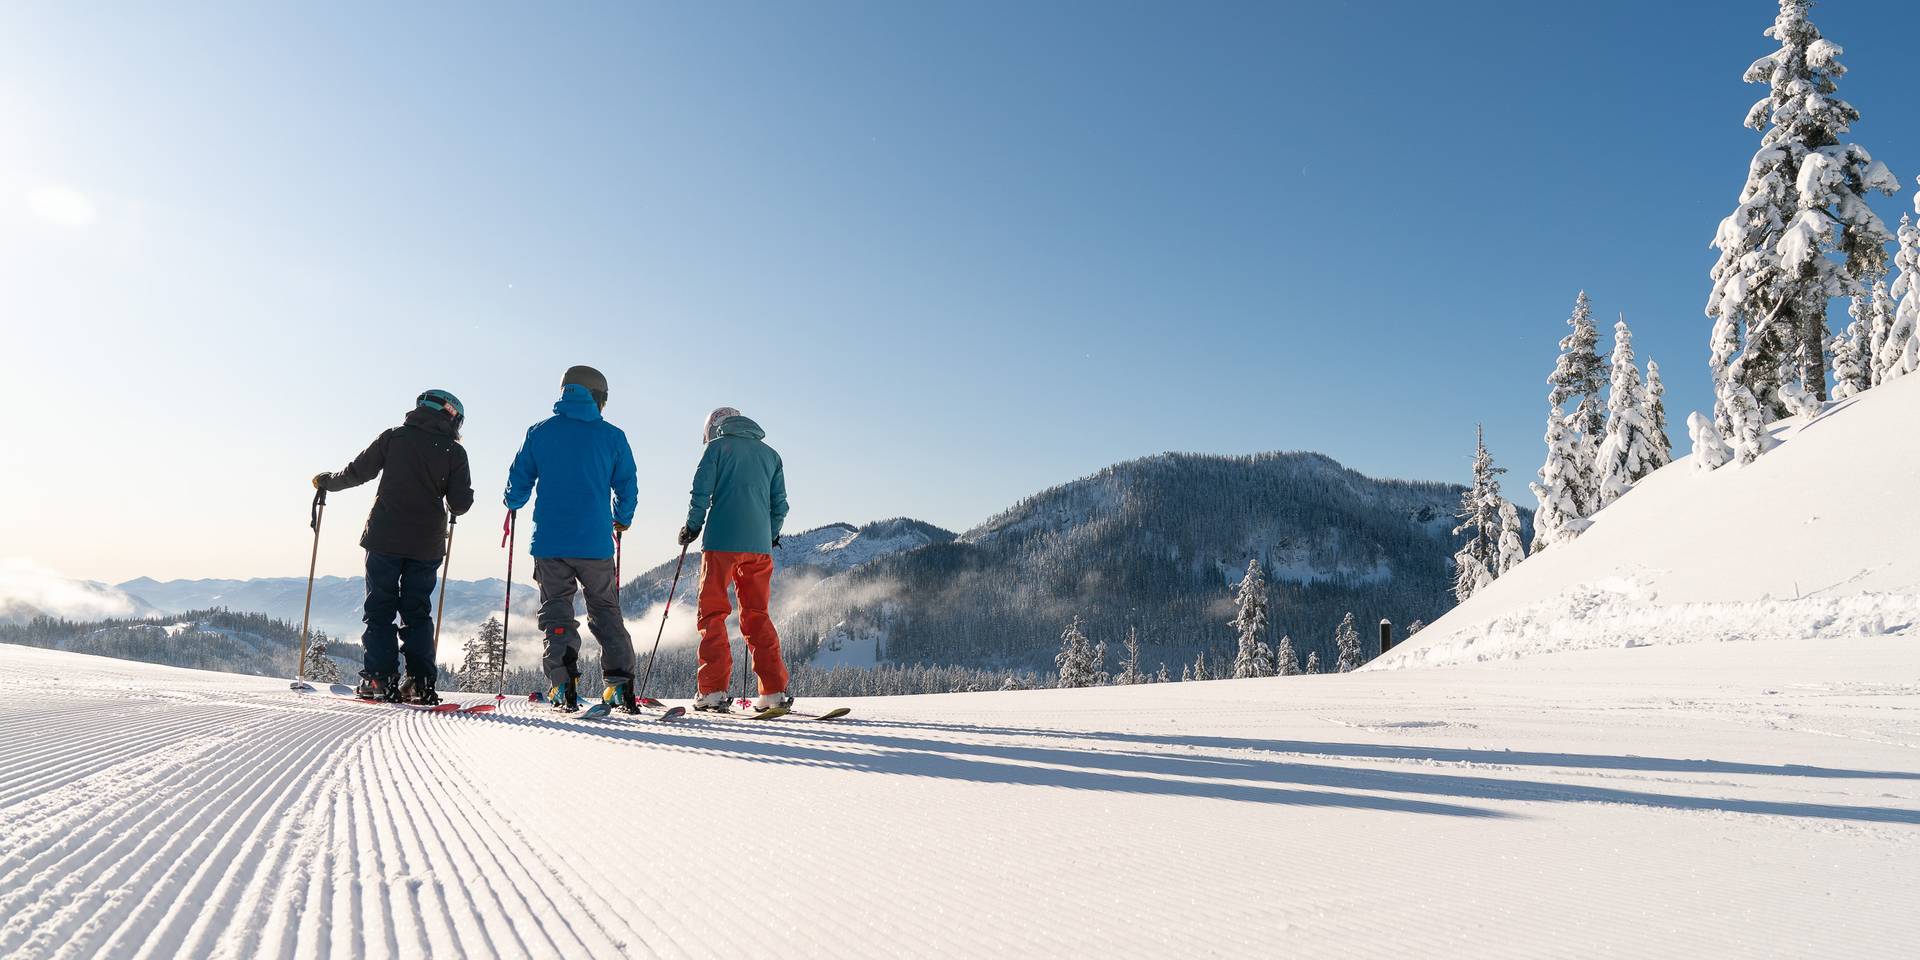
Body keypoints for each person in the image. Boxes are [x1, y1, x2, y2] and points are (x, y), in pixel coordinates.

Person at [314, 390, 474, 704]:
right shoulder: (454, 452)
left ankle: (377, 679)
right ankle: (419, 682)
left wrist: (326, 481)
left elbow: (356, 473)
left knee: (379, 608)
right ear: (453, 416)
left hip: (384, 536)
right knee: (417, 611)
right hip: (426, 543)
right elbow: (460, 504)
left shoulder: (394, 438)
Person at [504, 365, 640, 713]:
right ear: (599, 397)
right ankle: (621, 686)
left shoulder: (540, 432)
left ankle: (563, 687)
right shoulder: (612, 436)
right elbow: (626, 484)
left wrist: (512, 502)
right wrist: (621, 520)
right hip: (595, 543)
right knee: (606, 612)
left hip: (550, 544)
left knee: (557, 617)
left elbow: (519, 478)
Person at [679, 406, 791, 713]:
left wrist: (691, 526)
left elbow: (700, 493)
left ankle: (713, 691)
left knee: (712, 613)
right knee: (757, 614)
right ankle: (773, 692)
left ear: (714, 427)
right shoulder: (771, 455)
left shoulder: (716, 449)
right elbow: (780, 506)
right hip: (759, 547)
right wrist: (768, 535)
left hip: (721, 542)